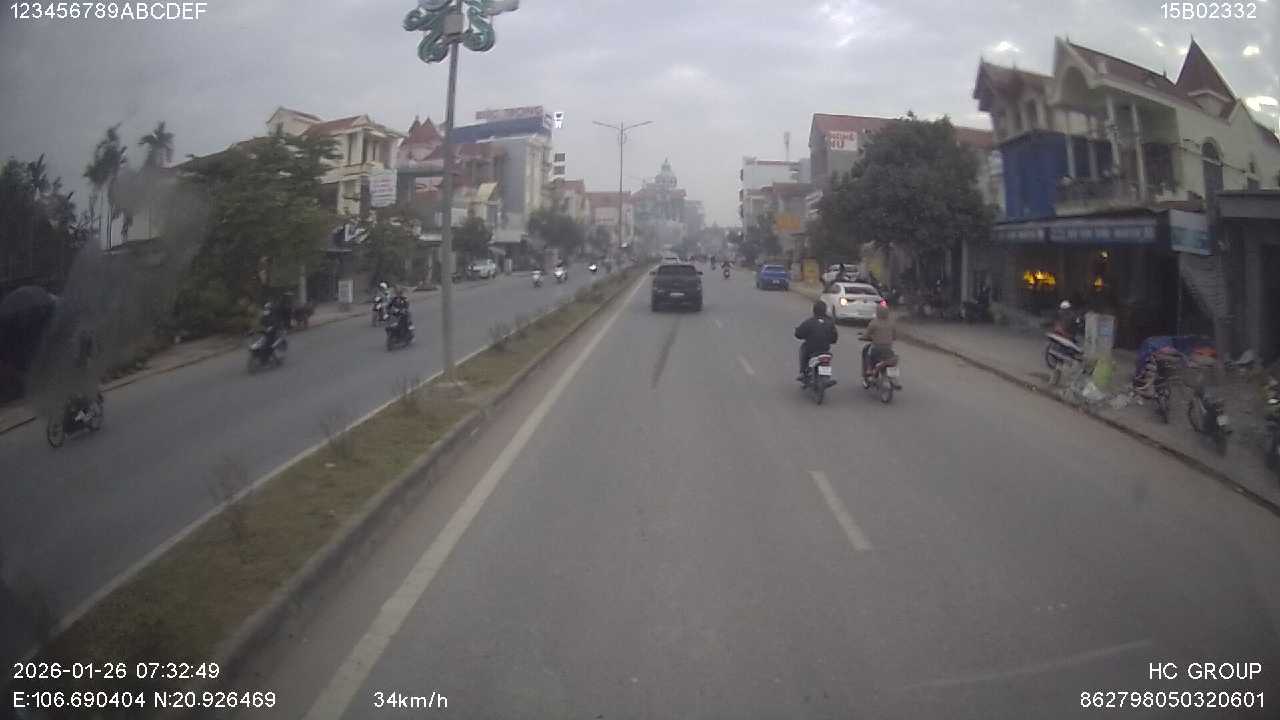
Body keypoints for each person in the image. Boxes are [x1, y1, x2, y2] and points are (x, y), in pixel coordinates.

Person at [794, 301, 839, 382]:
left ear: (814, 310)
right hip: (825, 349)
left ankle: (803, 372)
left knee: (803, 348)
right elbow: (834, 338)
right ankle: (825, 376)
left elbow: (798, 334)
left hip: (811, 349)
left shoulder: (809, 322)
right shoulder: (830, 323)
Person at [861, 303, 897, 383]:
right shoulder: (892, 323)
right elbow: (894, 336)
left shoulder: (874, 323)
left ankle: (869, 369)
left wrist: (863, 337)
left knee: (868, 353)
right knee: (892, 358)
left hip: (877, 348)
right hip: (888, 349)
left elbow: (866, 335)